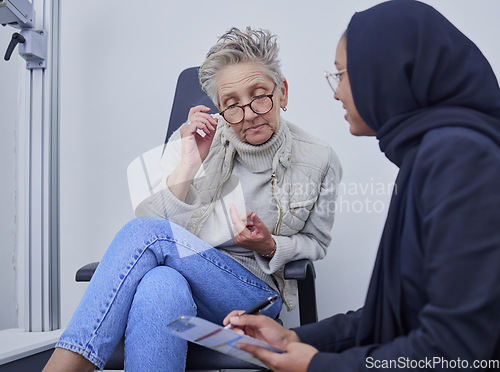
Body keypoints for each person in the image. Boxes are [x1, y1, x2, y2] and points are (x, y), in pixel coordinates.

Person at [43, 27, 341, 371]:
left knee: (146, 234)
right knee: (160, 284)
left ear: (283, 92)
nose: (248, 114)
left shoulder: (319, 158)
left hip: (254, 293)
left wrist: (270, 245)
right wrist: (188, 162)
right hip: (184, 281)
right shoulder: (197, 139)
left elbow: (315, 243)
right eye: (232, 105)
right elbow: (151, 218)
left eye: (260, 96)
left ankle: (67, 364)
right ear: (219, 107)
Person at [223, 1, 500, 371]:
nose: (336, 91)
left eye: (341, 74)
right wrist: (297, 339)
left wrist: (317, 366)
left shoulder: (462, 160)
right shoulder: (430, 156)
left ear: (383, 73)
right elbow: (396, 311)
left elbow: (455, 351)